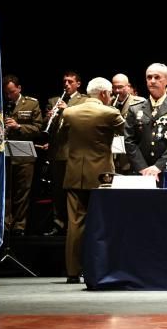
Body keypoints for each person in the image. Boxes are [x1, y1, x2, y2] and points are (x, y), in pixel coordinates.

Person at [55, 77, 125, 284]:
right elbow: (127, 135)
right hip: (101, 176)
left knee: (74, 224)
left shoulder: (69, 112)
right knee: (103, 223)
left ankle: (72, 272)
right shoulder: (110, 112)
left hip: (75, 173)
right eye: (110, 93)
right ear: (104, 94)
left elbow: (60, 138)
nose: (111, 97)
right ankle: (99, 267)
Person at [124, 63, 167, 187]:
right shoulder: (135, 108)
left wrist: (158, 167)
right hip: (141, 173)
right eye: (149, 77)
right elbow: (129, 141)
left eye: (157, 77)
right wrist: (143, 168)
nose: (152, 81)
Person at [42, 71, 88, 236]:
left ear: (78, 84)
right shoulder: (53, 101)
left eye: (70, 82)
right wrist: (49, 117)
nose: (66, 85)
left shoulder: (84, 100)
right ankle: (58, 224)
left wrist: (67, 109)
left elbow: (83, 122)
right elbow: (45, 126)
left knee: (73, 191)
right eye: (64, 82)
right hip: (56, 152)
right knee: (57, 191)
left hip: (73, 152)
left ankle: (73, 226)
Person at [2, 75, 42, 236]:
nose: (9, 96)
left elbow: (38, 129)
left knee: (22, 193)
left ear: (19, 88)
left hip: (24, 157)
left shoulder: (32, 103)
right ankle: (5, 224)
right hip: (5, 155)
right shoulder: (2, 104)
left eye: (11, 92)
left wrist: (18, 127)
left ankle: (19, 225)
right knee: (6, 193)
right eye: (6, 93)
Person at [110, 73, 145, 175]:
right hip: (114, 152)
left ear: (128, 87)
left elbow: (141, 128)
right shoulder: (109, 103)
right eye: (114, 87)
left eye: (120, 87)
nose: (117, 91)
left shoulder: (139, 103)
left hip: (130, 152)